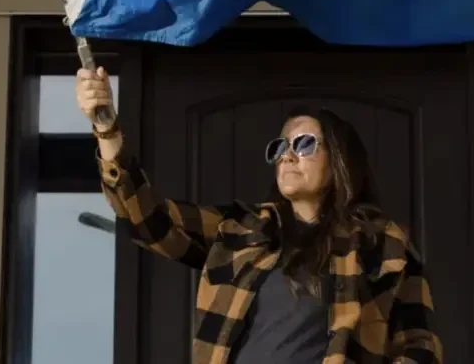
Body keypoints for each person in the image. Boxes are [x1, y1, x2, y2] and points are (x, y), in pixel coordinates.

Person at [76, 66, 443, 364]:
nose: (287, 156)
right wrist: (106, 128)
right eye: (280, 147)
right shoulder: (241, 232)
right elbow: (150, 221)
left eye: (304, 144)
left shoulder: (383, 243)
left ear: (339, 160)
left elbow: (420, 345)